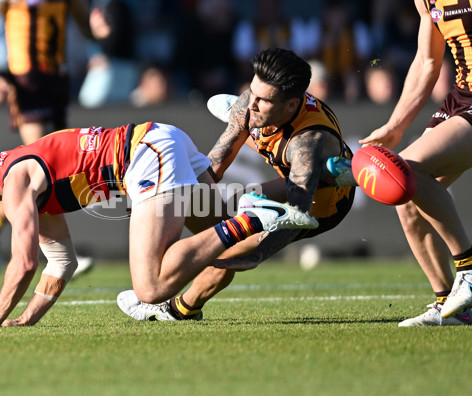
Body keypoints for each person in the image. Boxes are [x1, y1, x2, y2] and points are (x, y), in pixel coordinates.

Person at [0, 121, 317, 328]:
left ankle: (251, 217)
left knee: (149, 286)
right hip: (158, 141)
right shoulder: (22, 184)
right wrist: (24, 320)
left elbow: (24, 262)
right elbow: (61, 263)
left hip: (145, 155)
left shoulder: (13, 182)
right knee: (226, 252)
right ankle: (322, 174)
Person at [117, 48, 356, 321]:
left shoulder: (307, 143)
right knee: (220, 214)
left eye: (263, 100)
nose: (251, 103)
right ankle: (173, 298)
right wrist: (154, 196)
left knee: (229, 241)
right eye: (252, 92)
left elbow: (298, 217)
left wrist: (259, 254)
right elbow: (211, 170)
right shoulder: (249, 104)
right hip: (292, 178)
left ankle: (176, 309)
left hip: (319, 204)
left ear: (291, 105)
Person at [359, 0, 472, 326]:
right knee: (401, 190)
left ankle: (468, 268)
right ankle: (452, 304)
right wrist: (395, 125)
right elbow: (426, 61)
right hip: (461, 98)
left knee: (404, 169)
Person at [0, 0, 94, 277]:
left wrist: (99, 27)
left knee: (57, 169)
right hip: (27, 84)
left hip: (58, 82)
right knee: (40, 168)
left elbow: (87, 26)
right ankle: (57, 254)